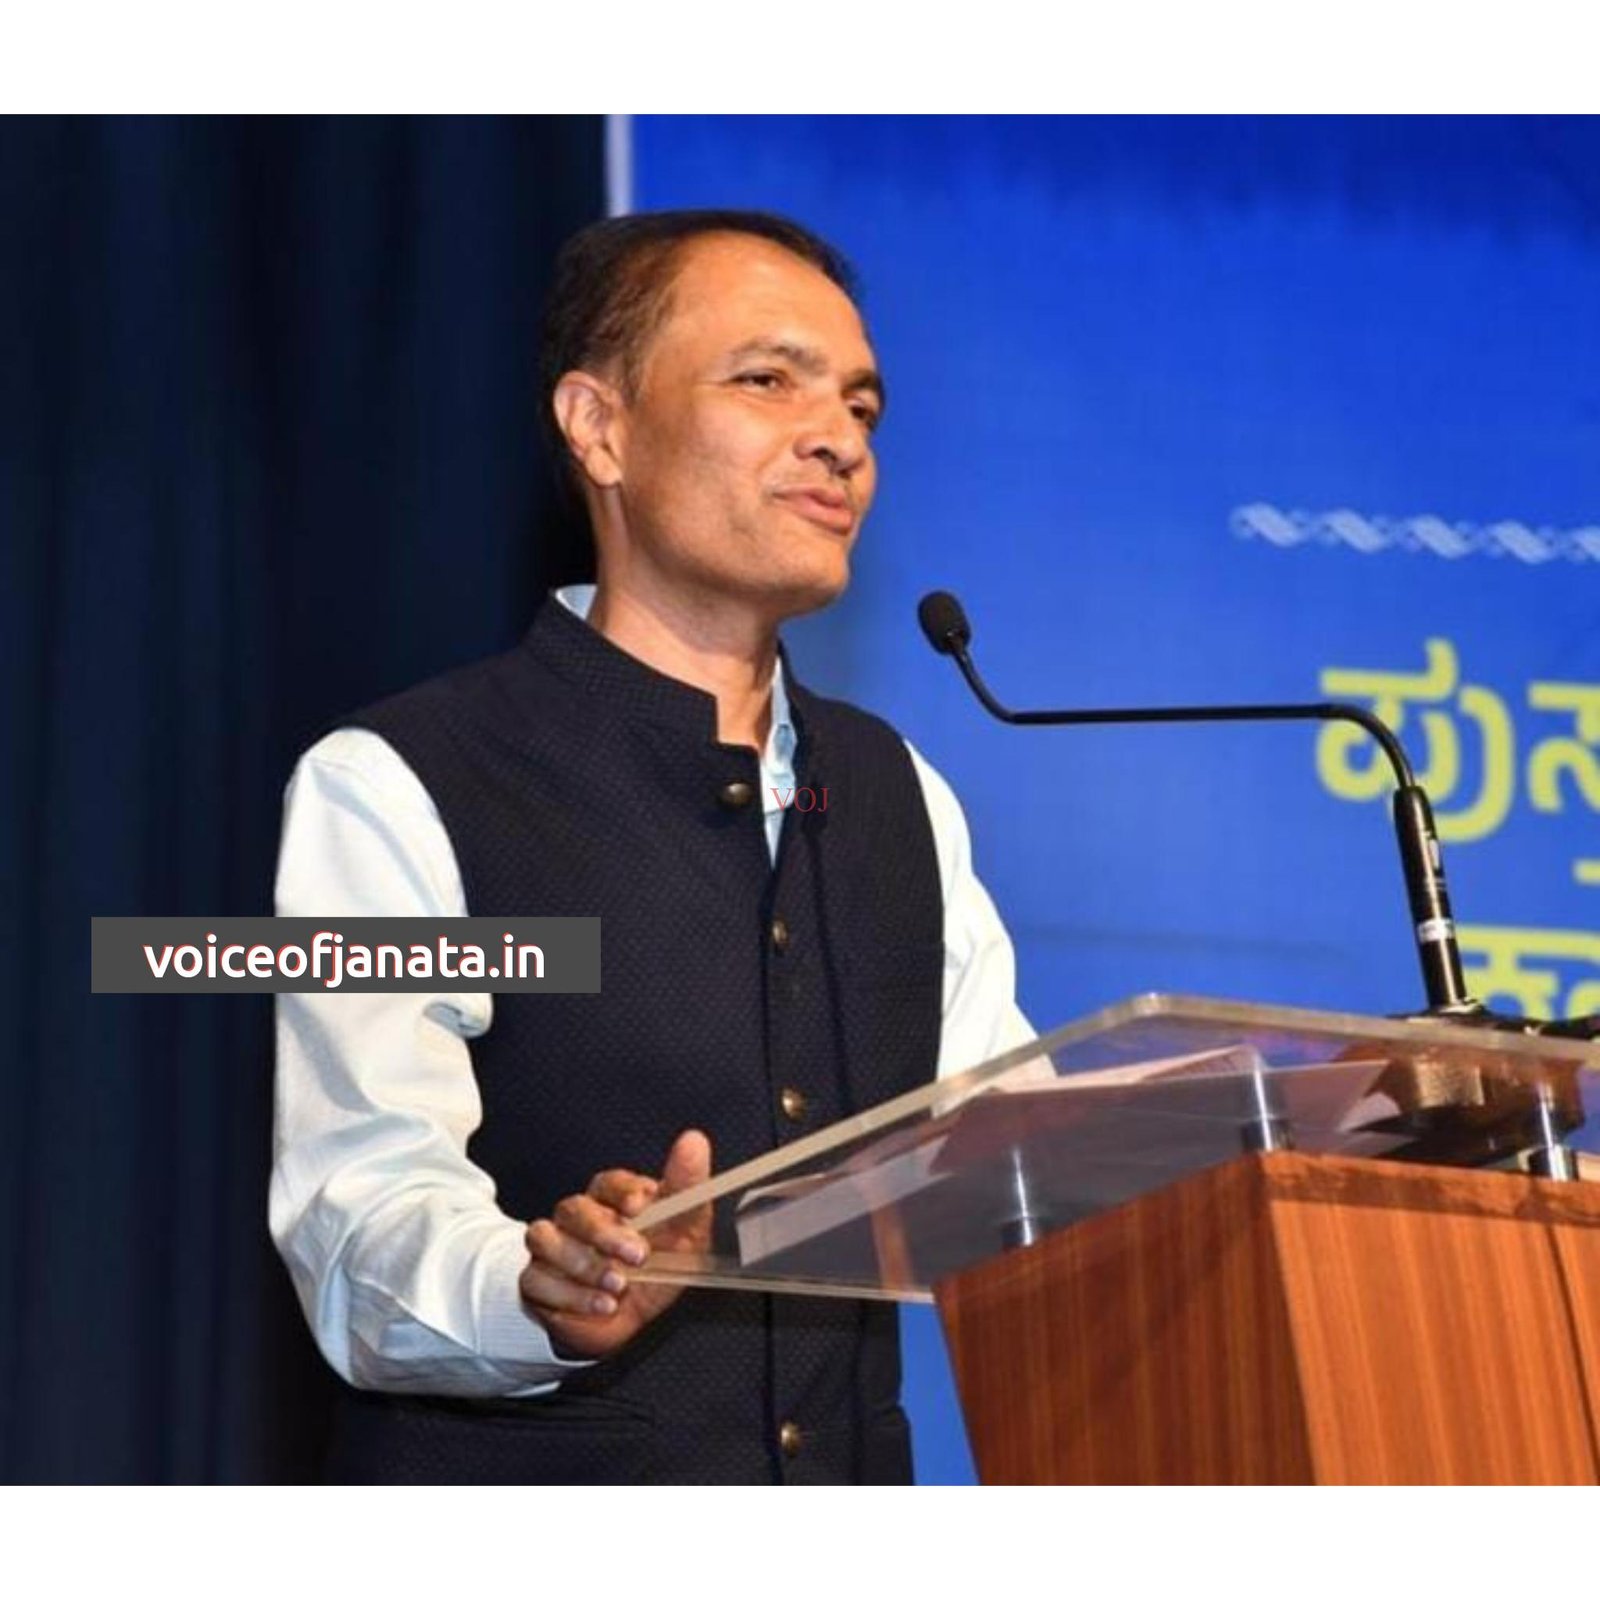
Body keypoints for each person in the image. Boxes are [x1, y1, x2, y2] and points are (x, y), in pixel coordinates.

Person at [270, 210, 1033, 1484]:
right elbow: (359, 1220)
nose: (839, 438)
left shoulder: (902, 794)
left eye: (860, 405)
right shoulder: (397, 782)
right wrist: (537, 1287)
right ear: (599, 427)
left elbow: (1018, 1163)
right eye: (768, 380)